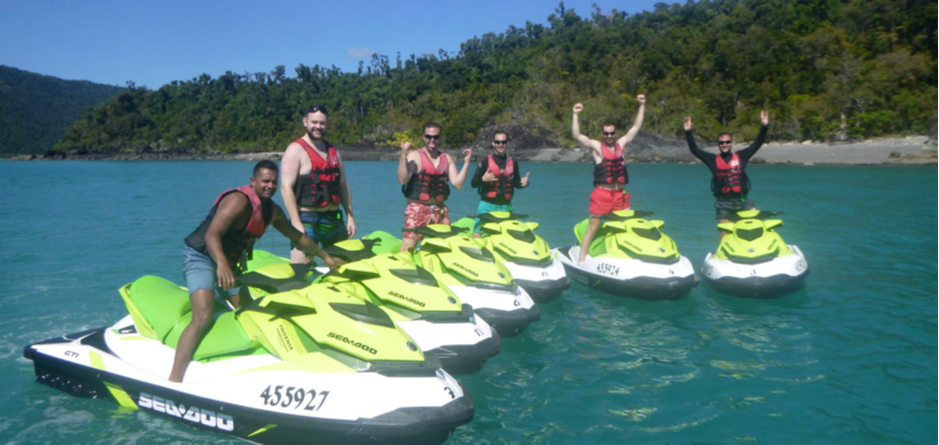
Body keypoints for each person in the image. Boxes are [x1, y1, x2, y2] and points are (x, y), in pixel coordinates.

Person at [174, 160, 342, 382]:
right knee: (203, 315)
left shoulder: (272, 211)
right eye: (265, 180)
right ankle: (174, 378)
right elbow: (211, 234)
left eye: (274, 181)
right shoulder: (237, 201)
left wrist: (327, 257)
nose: (270, 185)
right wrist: (222, 264)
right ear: (253, 181)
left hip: (228, 265)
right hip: (202, 257)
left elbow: (297, 236)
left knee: (248, 312)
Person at [571, 95, 646, 262]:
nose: (609, 136)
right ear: (602, 134)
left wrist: (641, 105)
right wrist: (575, 114)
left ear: (615, 133)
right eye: (606, 133)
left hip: (620, 195)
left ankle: (626, 256)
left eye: (612, 133)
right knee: (593, 227)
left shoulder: (622, 144)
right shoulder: (597, 147)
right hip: (602, 195)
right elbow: (577, 135)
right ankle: (581, 261)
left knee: (626, 225)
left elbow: (636, 126)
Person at [280, 105, 355, 263]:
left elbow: (342, 184)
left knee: (342, 270)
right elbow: (286, 188)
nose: (318, 127)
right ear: (305, 122)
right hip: (307, 221)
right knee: (302, 271)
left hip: (334, 220)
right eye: (314, 122)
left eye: (322, 123)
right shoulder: (295, 150)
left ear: (327, 124)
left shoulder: (333, 151)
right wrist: (296, 223)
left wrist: (350, 216)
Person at [683, 111, 769, 227]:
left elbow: (757, 144)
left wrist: (764, 126)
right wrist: (688, 131)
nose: (724, 144)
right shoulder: (712, 160)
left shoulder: (741, 156)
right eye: (721, 142)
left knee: (758, 225)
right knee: (725, 233)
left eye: (727, 142)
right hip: (723, 203)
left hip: (742, 201)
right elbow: (694, 150)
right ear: (718, 144)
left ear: (731, 143)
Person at [397, 122, 472, 252]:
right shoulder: (414, 156)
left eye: (436, 137)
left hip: (439, 209)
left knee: (444, 249)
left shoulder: (446, 158)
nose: (432, 140)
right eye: (428, 136)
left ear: (439, 138)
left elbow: (458, 184)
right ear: (423, 137)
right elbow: (403, 180)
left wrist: (466, 163)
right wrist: (403, 155)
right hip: (417, 209)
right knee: (407, 249)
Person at [470, 131, 530, 237]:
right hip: (487, 205)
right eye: (497, 142)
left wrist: (524, 183)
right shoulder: (485, 162)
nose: (500, 145)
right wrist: (483, 179)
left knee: (505, 235)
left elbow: (516, 183)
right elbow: (473, 183)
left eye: (503, 142)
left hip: (505, 206)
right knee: (478, 232)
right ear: (493, 143)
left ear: (507, 143)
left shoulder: (513, 163)